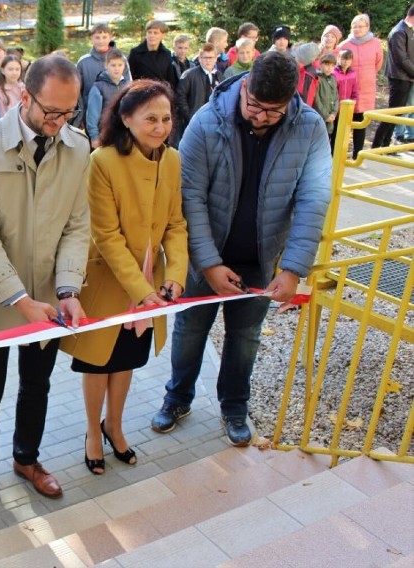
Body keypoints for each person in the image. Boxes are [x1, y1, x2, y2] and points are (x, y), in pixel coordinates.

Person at [150, 51, 331, 446]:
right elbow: (190, 198)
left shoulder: (310, 128)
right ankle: (177, 397)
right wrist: (209, 264)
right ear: (244, 85)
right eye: (254, 106)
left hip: (260, 260)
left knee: (245, 336)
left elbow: (314, 198)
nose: (261, 116)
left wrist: (293, 267)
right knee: (190, 329)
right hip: (205, 259)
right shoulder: (206, 121)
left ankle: (234, 406)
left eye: (273, 110)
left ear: (290, 100)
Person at [0, 55, 90, 516]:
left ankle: (27, 458)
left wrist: (69, 289)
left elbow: (78, 225)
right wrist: (18, 298)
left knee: (37, 385)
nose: (57, 122)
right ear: (24, 96)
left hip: (51, 295)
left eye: (68, 112)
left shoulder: (78, 147)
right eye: (50, 112)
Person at [60, 79, 188, 475]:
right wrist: (141, 289)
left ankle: (114, 425)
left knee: (127, 358)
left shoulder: (172, 160)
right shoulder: (103, 161)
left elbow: (176, 225)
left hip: (152, 279)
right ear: (126, 118)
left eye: (166, 118)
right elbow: (106, 235)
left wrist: (177, 276)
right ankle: (92, 432)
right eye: (150, 118)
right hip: (109, 279)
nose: (160, 126)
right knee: (99, 362)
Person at [339, 13, 384, 158]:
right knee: (345, 123)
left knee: (361, 123)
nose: (357, 29)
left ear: (367, 27)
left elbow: (378, 63)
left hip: (366, 89)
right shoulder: (345, 45)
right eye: (354, 26)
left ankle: (357, 155)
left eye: (360, 26)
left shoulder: (375, 43)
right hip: (347, 89)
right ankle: (340, 155)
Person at [372, 5, 414, 150]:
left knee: (396, 113)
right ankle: (378, 145)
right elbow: (402, 59)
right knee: (392, 113)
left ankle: (385, 145)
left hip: (406, 78)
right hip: (399, 78)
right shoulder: (399, 32)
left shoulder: (407, 30)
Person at [77, 24, 130, 129]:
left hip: (118, 116)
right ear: (91, 38)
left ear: (110, 37)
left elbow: (128, 86)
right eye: (97, 37)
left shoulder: (121, 60)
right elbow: (78, 93)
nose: (101, 41)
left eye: (104, 37)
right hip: (92, 118)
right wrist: (80, 117)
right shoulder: (83, 63)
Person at [175, 43, 224, 145]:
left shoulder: (219, 76)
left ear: (215, 59)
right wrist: (189, 115)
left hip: (214, 121)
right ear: (200, 58)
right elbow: (180, 96)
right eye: (204, 57)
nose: (208, 60)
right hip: (193, 120)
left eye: (211, 57)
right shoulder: (189, 75)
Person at [87, 48, 131, 148]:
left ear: (124, 66)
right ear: (106, 65)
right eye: (113, 65)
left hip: (125, 134)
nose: (117, 68)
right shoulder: (98, 87)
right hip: (106, 134)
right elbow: (92, 115)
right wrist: (94, 137)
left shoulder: (128, 86)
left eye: (120, 65)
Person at [129, 20, 178, 90]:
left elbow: (170, 80)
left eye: (155, 33)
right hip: (141, 94)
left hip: (160, 94)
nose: (152, 35)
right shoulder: (135, 53)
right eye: (149, 32)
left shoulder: (166, 54)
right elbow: (130, 78)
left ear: (163, 35)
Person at [331, 49, 359, 155]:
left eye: (348, 59)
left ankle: (340, 153)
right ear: (338, 59)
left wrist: (354, 101)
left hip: (347, 108)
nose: (345, 62)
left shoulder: (352, 74)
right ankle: (333, 153)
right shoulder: (334, 73)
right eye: (343, 59)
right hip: (336, 108)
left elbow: (355, 90)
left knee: (344, 132)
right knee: (334, 132)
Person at [314, 53, 340, 147]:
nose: (329, 68)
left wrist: (334, 113)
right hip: (320, 116)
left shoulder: (333, 79)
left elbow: (336, 97)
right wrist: (326, 115)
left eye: (332, 65)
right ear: (321, 64)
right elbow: (316, 99)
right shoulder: (317, 78)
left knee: (327, 141)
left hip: (331, 117)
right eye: (327, 65)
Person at [294, 43, 321, 107]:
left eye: (297, 55)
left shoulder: (308, 75)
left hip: (300, 111)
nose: (295, 57)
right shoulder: (298, 69)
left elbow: (307, 100)